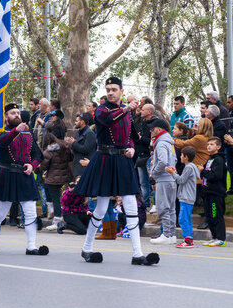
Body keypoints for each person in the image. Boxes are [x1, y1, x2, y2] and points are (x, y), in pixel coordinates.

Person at [74, 76, 159, 266]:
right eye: (108, 89)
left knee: (130, 205)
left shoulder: (127, 113)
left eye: (114, 89)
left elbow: (132, 136)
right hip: (104, 159)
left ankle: (137, 253)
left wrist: (132, 148)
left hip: (122, 161)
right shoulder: (102, 110)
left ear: (121, 91)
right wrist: (127, 109)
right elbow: (108, 120)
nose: (110, 92)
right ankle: (87, 248)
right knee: (102, 207)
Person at [0, 103, 47, 256]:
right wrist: (15, 132)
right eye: (13, 113)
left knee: (30, 213)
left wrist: (32, 165)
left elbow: (38, 155)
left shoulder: (28, 133)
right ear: (6, 117)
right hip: (6, 175)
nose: (17, 115)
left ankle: (31, 246)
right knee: (0, 214)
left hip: (24, 176)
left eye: (18, 112)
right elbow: (2, 143)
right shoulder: (0, 131)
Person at [174, 117, 212, 230]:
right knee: (206, 198)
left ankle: (203, 222)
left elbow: (184, 144)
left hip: (198, 173)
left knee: (192, 199)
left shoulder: (200, 138)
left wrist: (171, 139)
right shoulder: (204, 137)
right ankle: (207, 219)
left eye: (198, 124)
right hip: (202, 171)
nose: (196, 125)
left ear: (203, 127)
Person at [148, 119, 178, 245]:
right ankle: (171, 235)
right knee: (171, 208)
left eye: (152, 129)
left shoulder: (160, 143)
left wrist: (153, 172)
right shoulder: (169, 142)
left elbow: (163, 161)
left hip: (163, 179)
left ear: (159, 129)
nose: (150, 131)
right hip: (171, 178)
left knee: (163, 208)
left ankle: (166, 234)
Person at [166, 146, 200, 248]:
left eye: (181, 155)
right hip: (188, 197)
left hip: (186, 197)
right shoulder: (192, 166)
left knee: (182, 219)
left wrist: (172, 173)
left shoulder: (189, 167)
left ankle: (188, 240)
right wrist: (175, 173)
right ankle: (189, 239)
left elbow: (181, 180)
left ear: (186, 157)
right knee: (186, 218)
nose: (180, 156)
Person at [39, 133, 73, 230]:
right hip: (64, 176)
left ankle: (56, 219)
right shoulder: (64, 147)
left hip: (52, 178)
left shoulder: (48, 152)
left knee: (55, 199)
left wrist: (38, 168)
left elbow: (44, 166)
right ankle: (53, 212)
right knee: (57, 197)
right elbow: (71, 158)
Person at [199, 137, 227, 247]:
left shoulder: (219, 160)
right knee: (209, 215)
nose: (209, 146)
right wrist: (202, 171)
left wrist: (203, 171)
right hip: (208, 192)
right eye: (208, 144)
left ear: (218, 147)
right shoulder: (210, 159)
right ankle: (214, 237)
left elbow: (216, 176)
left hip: (216, 193)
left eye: (212, 144)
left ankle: (220, 238)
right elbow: (206, 174)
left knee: (216, 215)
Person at [65, 112, 96, 178]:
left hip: (85, 167)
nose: (75, 123)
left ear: (82, 122)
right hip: (78, 165)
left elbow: (86, 149)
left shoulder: (90, 133)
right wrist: (71, 143)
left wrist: (74, 143)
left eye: (76, 121)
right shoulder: (78, 132)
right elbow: (76, 148)